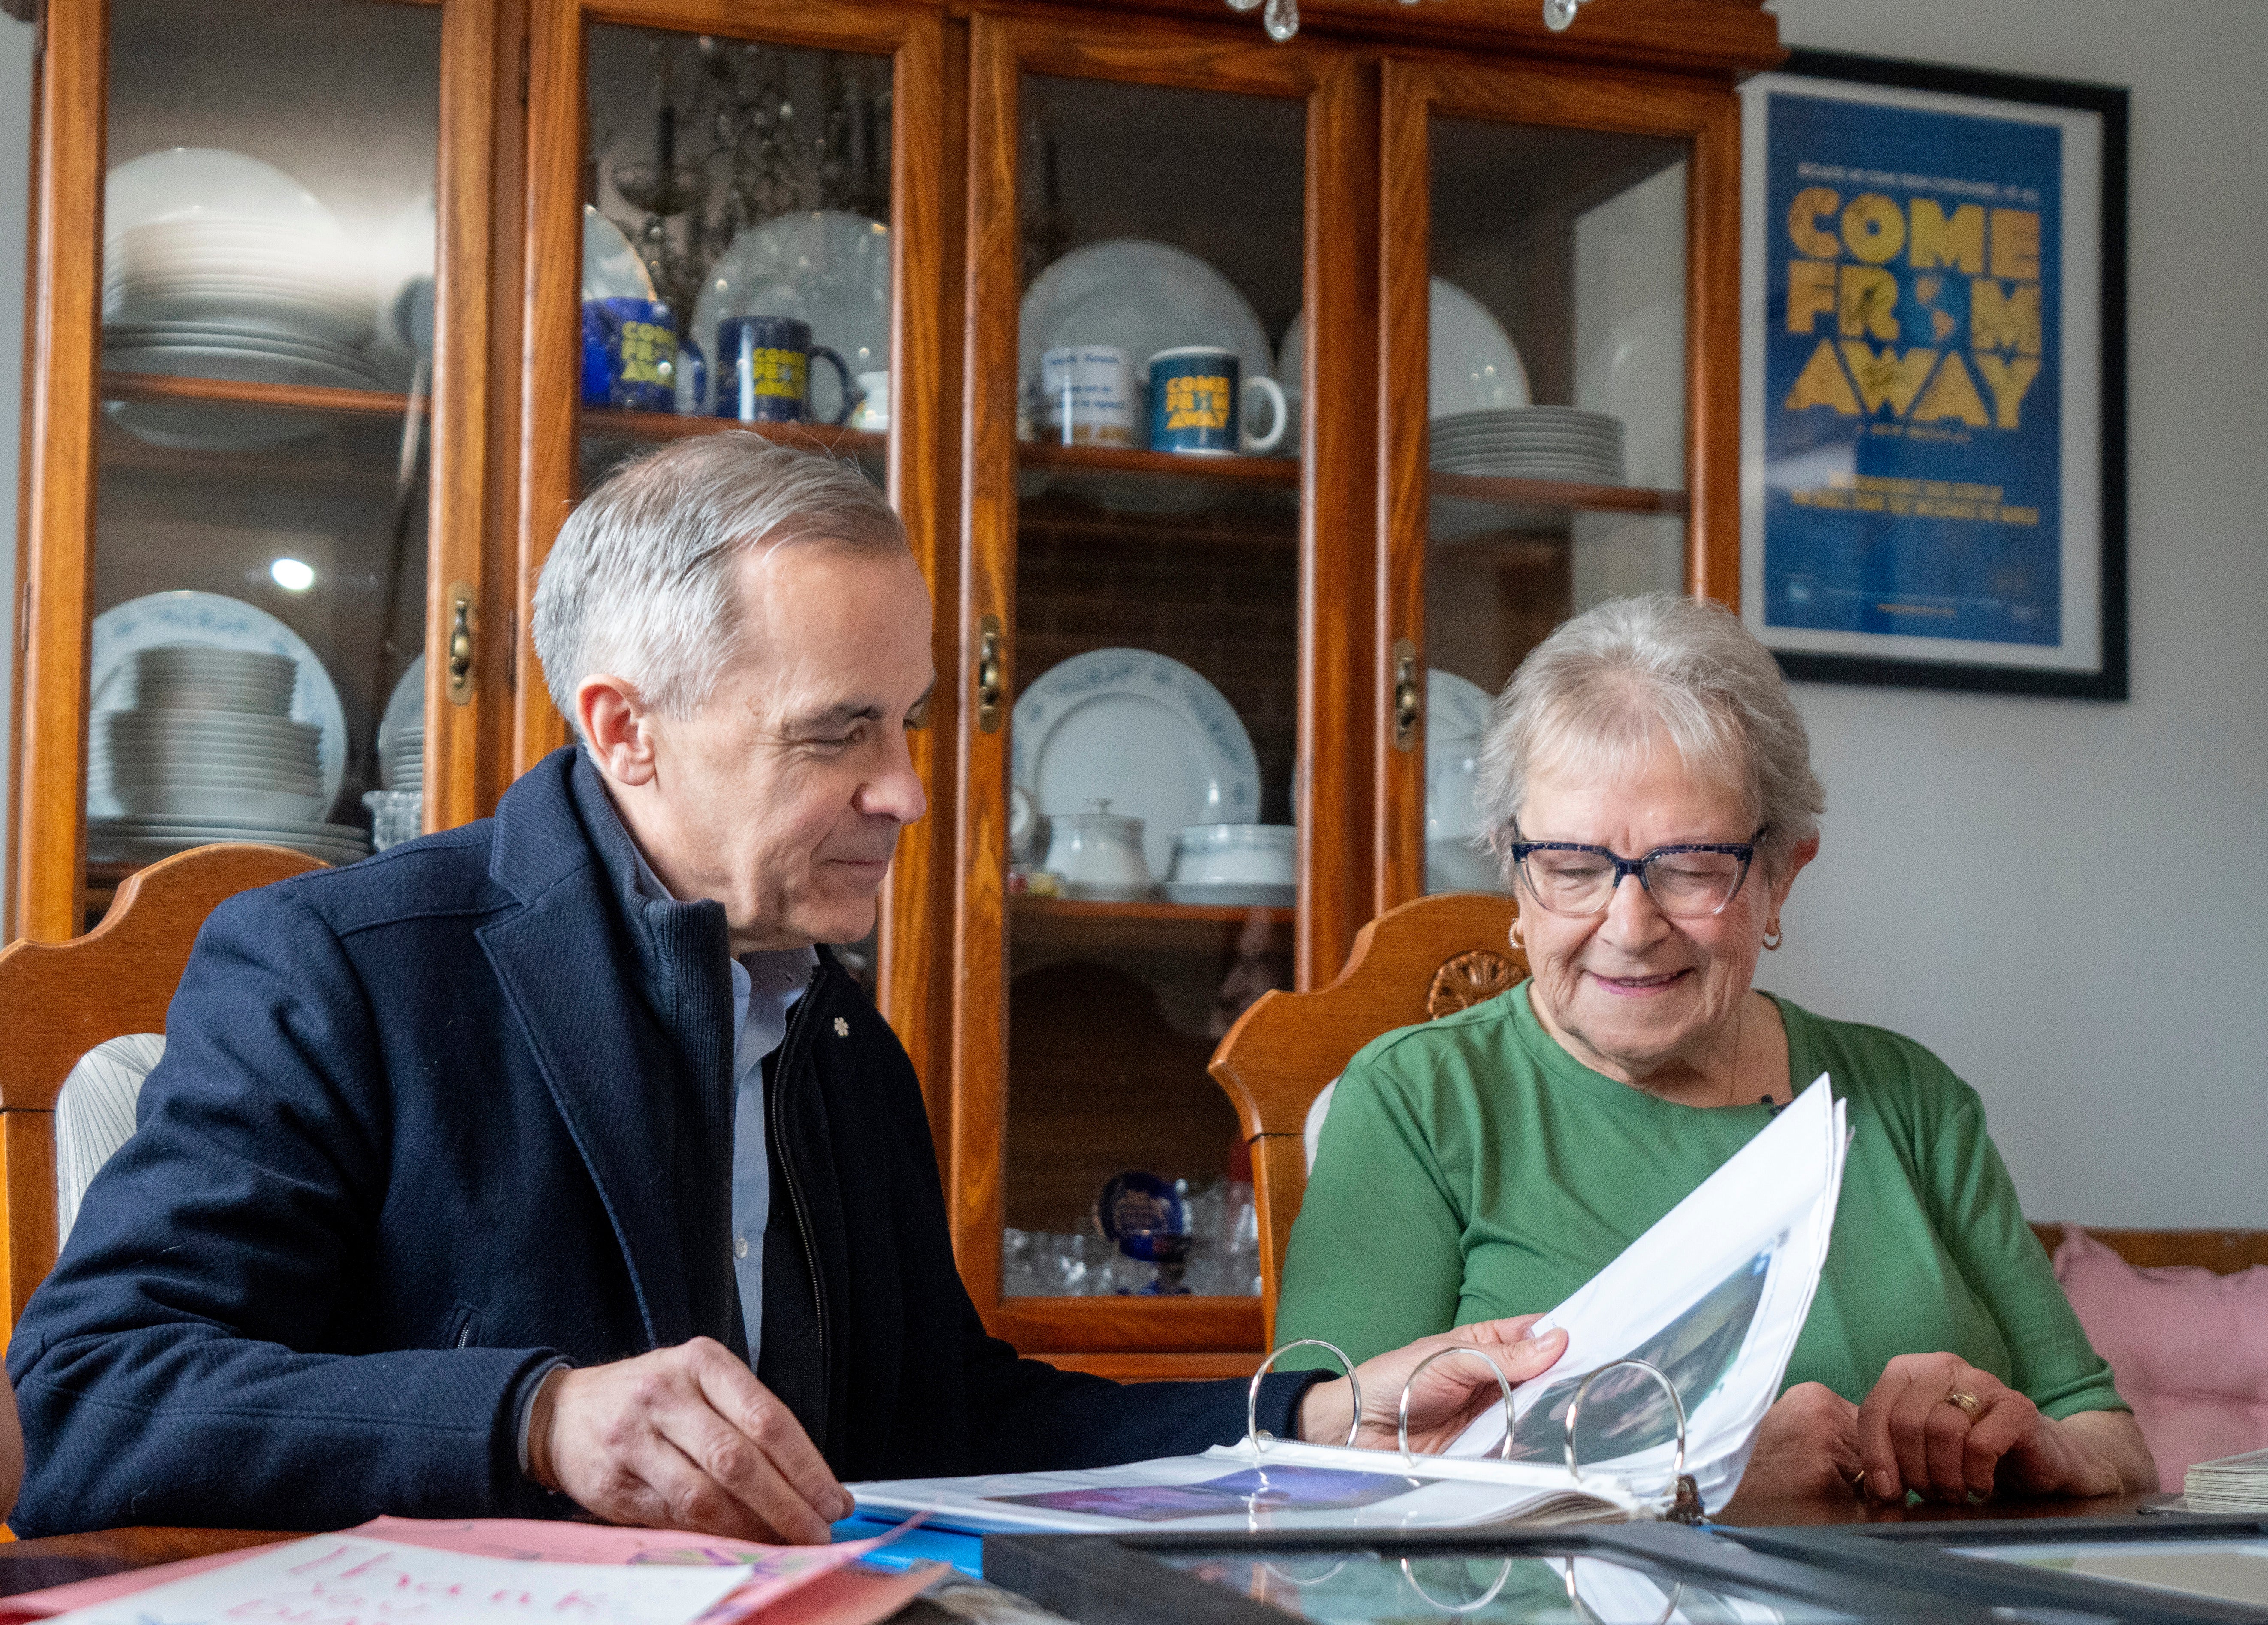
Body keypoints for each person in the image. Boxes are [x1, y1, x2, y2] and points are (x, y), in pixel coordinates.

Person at [6, 435, 1565, 1539]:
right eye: (836, 734)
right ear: (626, 729)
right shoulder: (337, 968)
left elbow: (953, 1419)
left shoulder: (829, 1028)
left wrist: (1306, 1418)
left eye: (907, 723)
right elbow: (84, 1397)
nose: (903, 789)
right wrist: (535, 1417)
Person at [1274, 594, 2157, 1509]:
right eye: (1573, 868)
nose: (1629, 926)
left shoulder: (1911, 1098)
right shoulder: (1419, 1101)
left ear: (1780, 878)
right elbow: (1319, 1490)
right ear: (1513, 871)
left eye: (1691, 868)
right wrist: (1694, 1481)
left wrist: (2031, 1441)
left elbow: (2108, 1440)